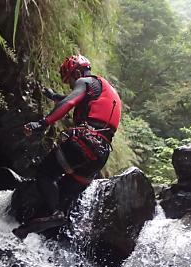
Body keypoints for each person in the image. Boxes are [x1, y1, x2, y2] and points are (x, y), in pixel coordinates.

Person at [13, 54, 122, 239]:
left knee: (46, 174)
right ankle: (46, 222)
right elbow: (80, 100)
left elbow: (70, 101)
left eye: (71, 80)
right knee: (63, 192)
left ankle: (54, 213)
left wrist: (42, 123)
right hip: (100, 156)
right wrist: (54, 95)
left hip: (83, 143)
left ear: (77, 71)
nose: (73, 84)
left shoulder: (85, 80)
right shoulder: (104, 89)